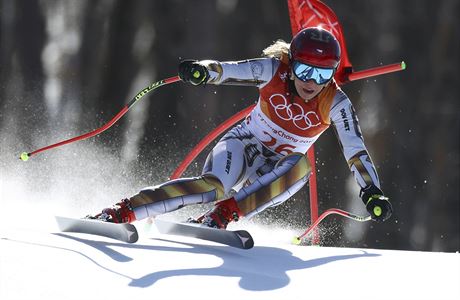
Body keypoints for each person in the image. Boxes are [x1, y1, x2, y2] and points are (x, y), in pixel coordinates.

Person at [88, 27, 393, 229]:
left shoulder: (336, 103)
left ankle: (219, 218)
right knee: (213, 187)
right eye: (304, 69)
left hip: (275, 171)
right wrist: (202, 71)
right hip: (242, 146)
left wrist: (371, 191)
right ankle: (120, 212)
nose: (311, 81)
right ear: (292, 61)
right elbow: (228, 69)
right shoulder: (273, 70)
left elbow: (355, 150)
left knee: (301, 166)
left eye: (322, 73)